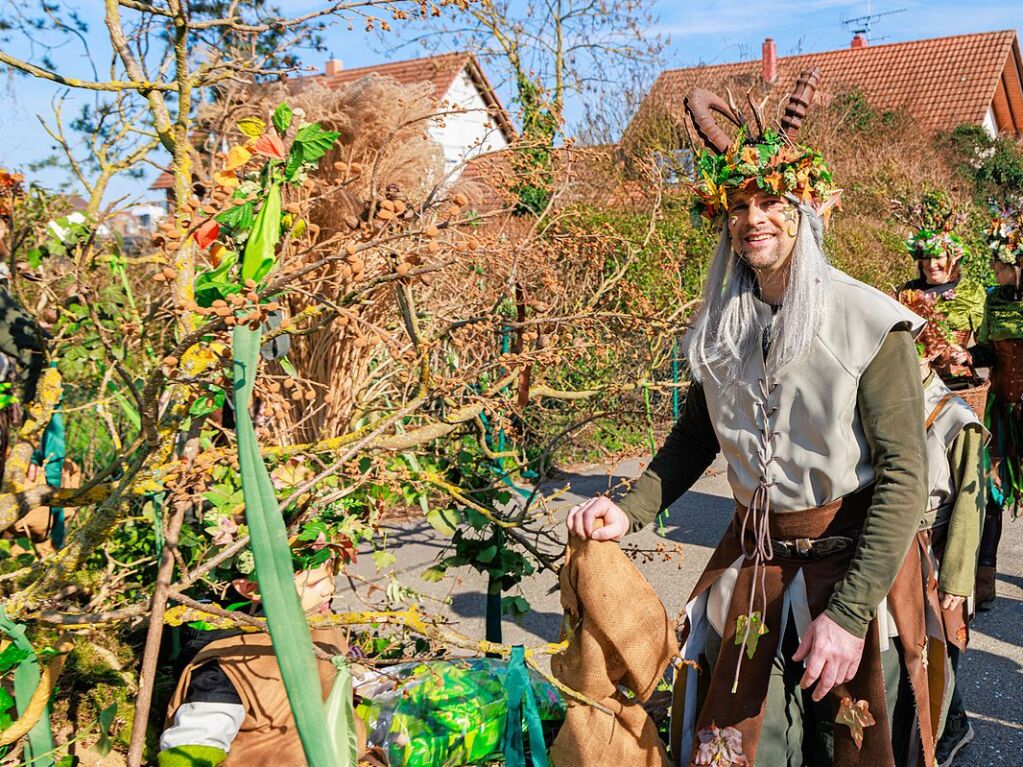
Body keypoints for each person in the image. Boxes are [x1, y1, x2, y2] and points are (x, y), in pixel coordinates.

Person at [567, 69, 935, 767]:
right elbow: (696, 432)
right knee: (734, 749)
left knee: (850, 744)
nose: (752, 218)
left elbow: (902, 480)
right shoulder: (719, 323)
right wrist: (632, 507)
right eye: (737, 205)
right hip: (753, 565)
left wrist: (850, 613)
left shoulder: (868, 322)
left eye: (771, 200)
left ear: (805, 211)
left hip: (850, 567)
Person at [159, 556, 375, 767]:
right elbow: (194, 744)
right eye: (312, 583)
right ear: (251, 588)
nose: (328, 589)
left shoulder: (321, 627)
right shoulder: (231, 664)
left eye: (331, 576)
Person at [915, 366, 986, 766]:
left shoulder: (957, 417)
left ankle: (948, 728)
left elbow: (969, 510)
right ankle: (942, 719)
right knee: (912, 644)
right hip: (899, 545)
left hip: (937, 550)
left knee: (941, 642)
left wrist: (957, 580)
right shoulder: (888, 398)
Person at [965, 200, 1023, 610]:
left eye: (1001, 264)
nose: (995, 271)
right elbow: (986, 349)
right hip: (1001, 409)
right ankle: (984, 583)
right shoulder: (994, 299)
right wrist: (964, 356)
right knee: (992, 493)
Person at [898, 206, 985, 384]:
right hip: (913, 380)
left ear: (953, 259)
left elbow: (987, 347)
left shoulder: (971, 291)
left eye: (938, 257)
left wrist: (967, 355)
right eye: (926, 257)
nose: (932, 264)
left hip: (956, 382)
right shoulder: (907, 292)